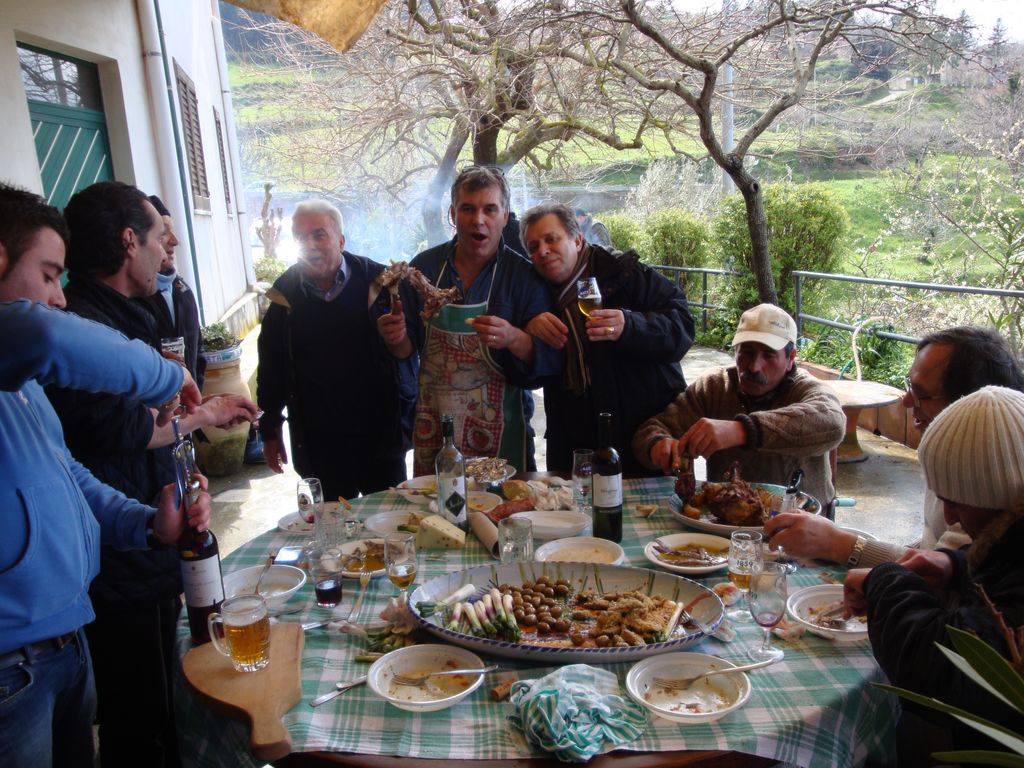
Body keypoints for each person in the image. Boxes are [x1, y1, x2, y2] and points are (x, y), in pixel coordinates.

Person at [0, 183, 212, 768]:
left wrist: (146, 525)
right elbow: (44, 333)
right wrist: (168, 376)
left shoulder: (21, 388)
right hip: (10, 666)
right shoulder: (26, 343)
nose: (58, 298)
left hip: (64, 643)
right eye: (48, 276)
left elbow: (69, 474)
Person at [46, 181, 256, 768]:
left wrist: (188, 461)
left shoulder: (137, 310)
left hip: (153, 536)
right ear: (127, 241)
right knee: (138, 723)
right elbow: (120, 429)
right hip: (118, 559)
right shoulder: (80, 326)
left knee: (169, 701)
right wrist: (200, 415)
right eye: (159, 238)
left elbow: (161, 423)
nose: (167, 251)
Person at [843, 386, 1024, 760]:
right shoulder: (1011, 534)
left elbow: (938, 670)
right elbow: (1006, 564)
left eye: (958, 502)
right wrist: (956, 565)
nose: (951, 516)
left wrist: (884, 579)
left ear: (1001, 493)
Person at [765, 326, 1024, 567]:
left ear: (969, 405)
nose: (907, 401)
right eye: (910, 386)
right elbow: (933, 545)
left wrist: (838, 544)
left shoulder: (991, 482)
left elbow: (945, 568)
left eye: (922, 394)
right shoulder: (949, 456)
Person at [378, 166, 561, 475]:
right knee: (436, 508)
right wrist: (395, 339)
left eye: (490, 209)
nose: (478, 219)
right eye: (468, 209)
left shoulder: (523, 277)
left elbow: (547, 363)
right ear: (453, 214)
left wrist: (513, 337)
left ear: (505, 216)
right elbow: (406, 350)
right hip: (436, 434)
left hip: (503, 438)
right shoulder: (425, 268)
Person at [257, 199, 416, 499]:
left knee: (389, 520)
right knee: (332, 524)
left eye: (319, 235)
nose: (309, 245)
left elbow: (409, 356)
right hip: (319, 441)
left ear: (341, 241)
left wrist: (398, 339)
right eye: (300, 237)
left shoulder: (382, 285)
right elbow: (272, 367)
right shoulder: (284, 295)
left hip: (379, 436)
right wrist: (270, 427)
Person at [521, 202, 694, 475]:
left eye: (551, 239)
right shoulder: (534, 297)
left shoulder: (623, 274)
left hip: (643, 438)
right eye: (533, 247)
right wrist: (527, 327)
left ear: (577, 240)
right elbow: (526, 376)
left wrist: (630, 325)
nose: (543, 250)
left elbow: (683, 328)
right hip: (575, 445)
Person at [632, 303, 845, 507]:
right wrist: (658, 444)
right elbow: (652, 430)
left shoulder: (807, 389)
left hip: (802, 522)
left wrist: (742, 431)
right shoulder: (714, 387)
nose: (754, 366)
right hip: (724, 520)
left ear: (790, 358)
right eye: (747, 352)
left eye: (768, 355)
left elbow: (833, 423)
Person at [147, 194, 204, 386]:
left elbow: (197, 351)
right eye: (163, 233)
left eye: (173, 231)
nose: (175, 241)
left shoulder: (182, 290)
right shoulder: (133, 297)